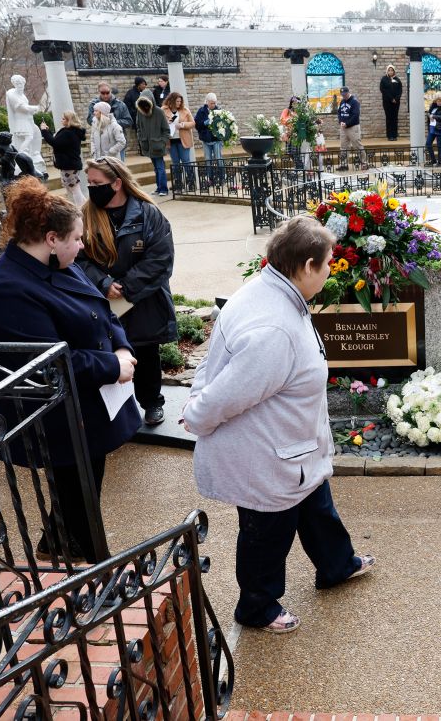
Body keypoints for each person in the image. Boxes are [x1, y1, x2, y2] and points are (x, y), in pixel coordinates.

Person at [184, 217, 375, 634]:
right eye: (327, 264)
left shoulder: (270, 288)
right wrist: (196, 416)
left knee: (316, 505)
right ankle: (257, 606)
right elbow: (231, 390)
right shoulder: (274, 329)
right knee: (266, 533)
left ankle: (335, 565)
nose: (330, 271)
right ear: (306, 265)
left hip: (291, 446)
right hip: (267, 454)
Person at [0, 176, 140, 562]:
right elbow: (48, 363)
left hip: (86, 404)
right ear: (51, 238)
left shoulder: (58, 263)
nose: (82, 246)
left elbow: (101, 309)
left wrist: (121, 345)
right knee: (77, 495)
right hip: (55, 418)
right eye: (77, 239)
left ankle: (61, 547)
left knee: (80, 494)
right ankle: (91, 571)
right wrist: (112, 365)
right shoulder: (8, 290)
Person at [76, 157, 176, 426]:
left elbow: (160, 259)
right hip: (104, 301)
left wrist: (126, 288)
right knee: (108, 356)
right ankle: (118, 410)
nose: (92, 188)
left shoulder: (147, 213)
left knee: (145, 354)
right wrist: (104, 284)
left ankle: (152, 402)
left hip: (143, 300)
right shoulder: (86, 215)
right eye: (89, 183)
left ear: (117, 183)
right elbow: (77, 258)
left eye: (97, 183)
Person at [40, 110, 87, 207]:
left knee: (74, 189)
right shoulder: (71, 131)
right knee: (73, 188)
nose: (61, 120)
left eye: (63, 119)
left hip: (69, 165)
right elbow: (58, 141)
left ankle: (81, 209)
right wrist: (48, 131)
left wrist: (44, 131)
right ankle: (85, 207)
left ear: (69, 120)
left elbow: (55, 143)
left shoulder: (68, 133)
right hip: (71, 164)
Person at [135, 90, 169, 196]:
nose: (145, 106)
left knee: (160, 167)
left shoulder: (159, 112)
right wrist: (141, 139)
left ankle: (163, 189)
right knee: (156, 168)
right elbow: (139, 127)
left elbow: (166, 130)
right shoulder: (140, 112)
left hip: (158, 145)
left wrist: (162, 142)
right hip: (147, 145)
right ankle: (159, 188)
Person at [86, 82, 134, 158]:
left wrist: (112, 122)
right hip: (100, 144)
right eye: (103, 93)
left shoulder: (120, 104)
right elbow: (89, 120)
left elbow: (129, 121)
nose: (105, 95)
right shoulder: (93, 104)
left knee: (118, 168)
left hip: (116, 142)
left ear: (110, 91)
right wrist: (101, 121)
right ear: (99, 92)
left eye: (107, 92)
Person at [163, 92, 196, 190]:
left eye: (180, 101)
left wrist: (182, 125)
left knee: (186, 161)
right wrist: (166, 123)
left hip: (183, 140)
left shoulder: (185, 110)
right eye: (177, 101)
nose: (179, 103)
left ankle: (191, 183)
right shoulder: (163, 110)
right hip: (171, 140)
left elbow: (193, 123)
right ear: (171, 100)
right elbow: (160, 124)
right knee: (175, 163)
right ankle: (178, 183)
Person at [195, 92, 223, 185]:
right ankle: (210, 179)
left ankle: (221, 178)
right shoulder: (201, 111)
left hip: (216, 140)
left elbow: (224, 124)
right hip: (206, 140)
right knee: (208, 160)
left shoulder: (219, 110)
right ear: (207, 102)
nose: (213, 105)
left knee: (219, 160)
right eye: (211, 103)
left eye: (214, 103)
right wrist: (204, 123)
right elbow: (197, 124)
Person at [336, 86, 367, 171]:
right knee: (344, 147)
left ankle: (364, 163)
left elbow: (355, 115)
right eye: (342, 94)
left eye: (345, 94)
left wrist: (347, 123)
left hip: (353, 127)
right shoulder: (342, 101)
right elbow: (339, 113)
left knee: (357, 145)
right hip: (343, 127)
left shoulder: (354, 102)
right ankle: (344, 164)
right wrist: (340, 121)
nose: (344, 96)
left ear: (348, 92)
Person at [426, 94, 441, 166]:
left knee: (439, 145)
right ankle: (433, 160)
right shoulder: (433, 106)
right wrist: (430, 115)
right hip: (432, 127)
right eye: (438, 101)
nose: (439, 102)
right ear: (435, 100)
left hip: (440, 128)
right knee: (428, 144)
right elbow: (429, 113)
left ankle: (440, 162)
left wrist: (433, 116)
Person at [379, 65, 402, 141]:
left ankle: (394, 135)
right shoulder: (384, 79)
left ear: (394, 71)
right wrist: (391, 98)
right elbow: (383, 90)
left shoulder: (397, 80)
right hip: (387, 102)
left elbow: (400, 91)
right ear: (387, 71)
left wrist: (396, 99)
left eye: (392, 70)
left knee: (395, 118)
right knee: (389, 118)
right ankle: (389, 136)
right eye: (389, 70)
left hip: (396, 103)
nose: (390, 72)